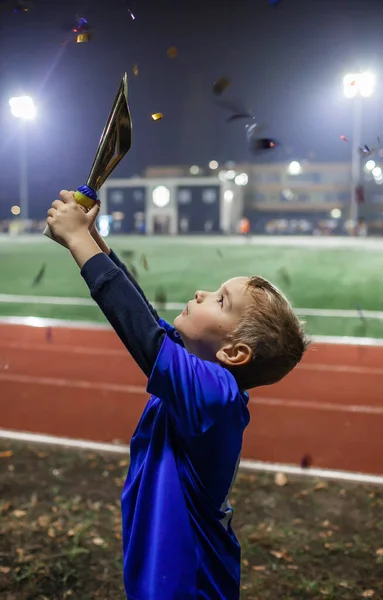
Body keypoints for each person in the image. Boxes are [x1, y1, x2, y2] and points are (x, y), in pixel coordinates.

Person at [46, 191, 309, 600]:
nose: (203, 293)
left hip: (189, 585)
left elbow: (145, 338)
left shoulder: (216, 395)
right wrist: (94, 239)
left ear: (235, 353)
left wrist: (79, 241)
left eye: (222, 300)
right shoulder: (202, 383)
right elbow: (149, 320)